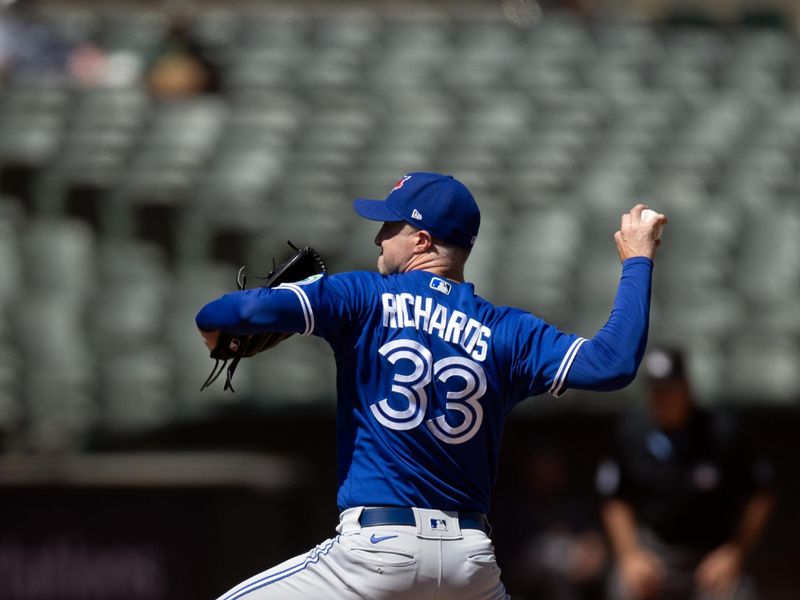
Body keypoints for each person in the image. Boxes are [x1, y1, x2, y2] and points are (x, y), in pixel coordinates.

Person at [195, 172, 666, 599]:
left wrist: (220, 328)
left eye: (389, 227)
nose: (379, 238)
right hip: (470, 564)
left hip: (376, 553)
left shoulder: (363, 298)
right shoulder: (510, 332)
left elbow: (235, 314)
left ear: (421, 241)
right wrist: (639, 259)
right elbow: (613, 363)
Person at [596, 347, 776, 600]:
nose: (663, 398)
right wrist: (630, 556)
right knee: (623, 587)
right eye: (656, 390)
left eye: (670, 389)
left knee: (737, 594)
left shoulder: (722, 432)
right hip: (654, 552)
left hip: (709, 552)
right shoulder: (631, 432)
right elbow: (615, 498)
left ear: (687, 388)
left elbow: (759, 494)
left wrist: (734, 552)